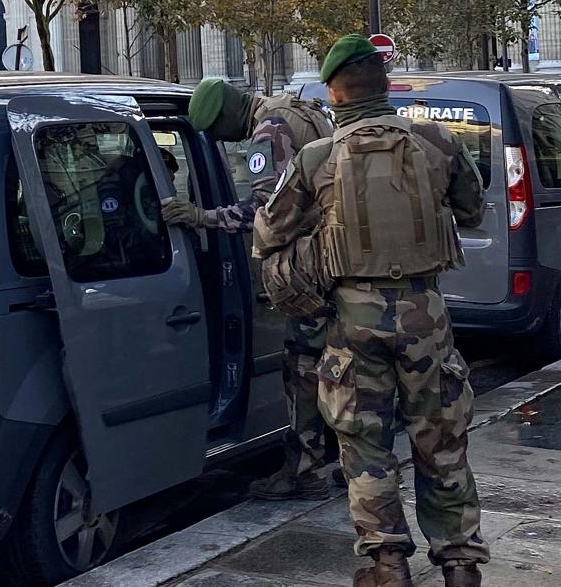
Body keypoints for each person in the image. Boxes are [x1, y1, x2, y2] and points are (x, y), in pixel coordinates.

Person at [254, 34, 488, 587]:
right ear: (385, 85)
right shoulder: (437, 141)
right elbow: (473, 207)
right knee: (441, 437)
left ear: (334, 94)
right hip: (424, 313)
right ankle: (458, 562)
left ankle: (387, 563)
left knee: (364, 442)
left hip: (353, 317)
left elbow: (268, 231)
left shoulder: (317, 157)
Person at [161, 78, 336, 501]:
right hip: (337, 260)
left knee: (304, 370)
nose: (220, 140)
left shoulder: (268, 130)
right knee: (349, 370)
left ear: (226, 116)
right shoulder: (299, 110)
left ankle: (303, 470)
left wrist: (202, 217)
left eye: (216, 132)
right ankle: (356, 465)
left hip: (310, 270)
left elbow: (264, 212)